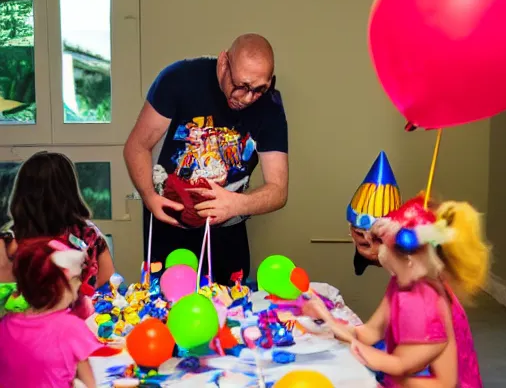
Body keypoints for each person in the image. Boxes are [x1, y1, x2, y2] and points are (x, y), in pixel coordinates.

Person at [124, 33, 289, 285]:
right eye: (241, 86)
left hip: (227, 232)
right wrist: (148, 195)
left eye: (259, 89)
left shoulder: (270, 106)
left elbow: (278, 190)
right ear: (224, 62)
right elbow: (137, 145)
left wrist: (235, 205)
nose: (247, 98)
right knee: (164, 309)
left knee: (228, 313)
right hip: (169, 224)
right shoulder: (178, 79)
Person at [303, 194, 488, 388]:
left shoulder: (425, 304)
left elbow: (437, 380)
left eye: (381, 242)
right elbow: (371, 332)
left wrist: (340, 333)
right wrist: (326, 323)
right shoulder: (401, 284)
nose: (375, 251)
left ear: (408, 258)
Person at [0, 237, 102, 387]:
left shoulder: (5, 325)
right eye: (75, 279)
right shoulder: (71, 327)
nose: (80, 283)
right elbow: (92, 383)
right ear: (57, 286)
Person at [6, 151, 115, 289]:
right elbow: (109, 287)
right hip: (85, 310)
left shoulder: (10, 242)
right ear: (69, 191)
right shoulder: (89, 237)